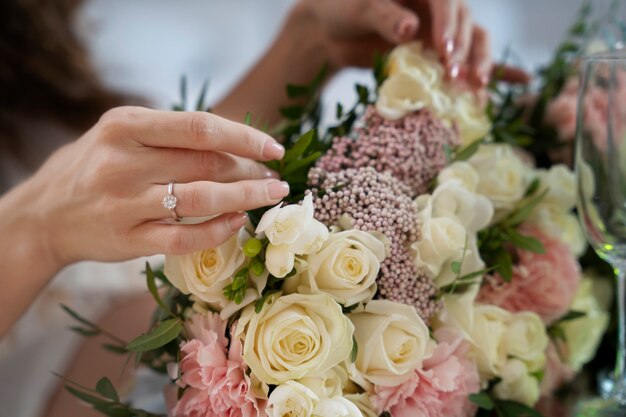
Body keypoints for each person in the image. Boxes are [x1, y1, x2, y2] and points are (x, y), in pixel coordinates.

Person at [0, 0, 518, 415]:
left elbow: (130, 187)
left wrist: (311, 38)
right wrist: (33, 231)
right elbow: (69, 204)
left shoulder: (29, 53)